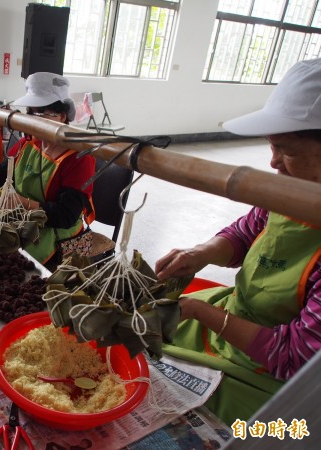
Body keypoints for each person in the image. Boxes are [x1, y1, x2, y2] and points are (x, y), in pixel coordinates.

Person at [155, 58, 321, 426]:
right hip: (234, 313)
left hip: (268, 370)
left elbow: (294, 356)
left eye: (287, 151)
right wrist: (200, 254)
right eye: (271, 147)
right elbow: (248, 230)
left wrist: (199, 312)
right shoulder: (290, 192)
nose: (274, 162)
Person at [0, 72, 95, 270]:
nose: (34, 121)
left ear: (62, 116)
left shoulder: (79, 158)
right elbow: (6, 169)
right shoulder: (30, 142)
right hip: (22, 221)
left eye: (42, 113)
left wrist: (21, 203)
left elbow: (65, 216)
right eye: (32, 113)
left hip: (58, 239)